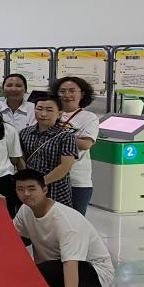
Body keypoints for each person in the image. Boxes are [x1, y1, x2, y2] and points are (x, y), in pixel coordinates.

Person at [13, 169, 115, 287]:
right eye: (20, 189)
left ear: (44, 189)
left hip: (94, 271)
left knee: (48, 271)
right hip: (55, 265)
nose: (26, 194)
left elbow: (70, 263)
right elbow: (13, 240)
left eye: (31, 188)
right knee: (31, 270)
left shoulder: (66, 221)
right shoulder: (25, 210)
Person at [51, 76, 101, 216]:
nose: (67, 95)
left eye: (72, 91)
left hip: (76, 180)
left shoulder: (89, 117)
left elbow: (85, 144)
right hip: (50, 177)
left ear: (82, 94)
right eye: (62, 91)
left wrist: (56, 135)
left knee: (74, 221)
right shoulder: (50, 112)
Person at [19, 93, 79, 207]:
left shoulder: (66, 136)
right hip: (30, 189)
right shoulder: (25, 133)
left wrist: (40, 183)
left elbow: (65, 166)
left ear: (59, 113)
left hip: (56, 189)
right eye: (39, 109)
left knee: (56, 216)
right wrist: (28, 182)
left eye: (49, 110)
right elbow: (21, 159)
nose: (43, 114)